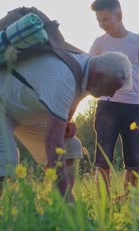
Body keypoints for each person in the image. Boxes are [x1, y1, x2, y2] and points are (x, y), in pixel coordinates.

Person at [0, 50, 131, 201]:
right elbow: (53, 142)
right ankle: (65, 203)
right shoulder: (64, 79)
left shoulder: (88, 72)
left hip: (22, 113)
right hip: (3, 109)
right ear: (97, 76)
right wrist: (69, 199)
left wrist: (66, 123)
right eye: (112, 88)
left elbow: (73, 100)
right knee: (6, 158)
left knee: (71, 145)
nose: (111, 95)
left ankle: (58, 207)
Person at [89, 0, 139, 197]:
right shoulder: (99, 43)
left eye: (105, 19)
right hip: (106, 106)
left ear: (119, 15)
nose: (101, 24)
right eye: (98, 20)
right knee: (103, 157)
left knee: (134, 158)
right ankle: (103, 201)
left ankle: (127, 200)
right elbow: (89, 71)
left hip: (132, 107)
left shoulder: (137, 41)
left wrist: (131, 92)